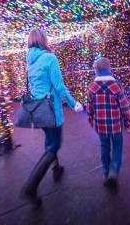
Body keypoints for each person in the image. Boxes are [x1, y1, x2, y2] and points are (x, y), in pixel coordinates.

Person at [21, 28, 83, 207]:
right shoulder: (50, 58)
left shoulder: (30, 61)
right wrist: (74, 104)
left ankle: (56, 168)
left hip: (38, 109)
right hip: (51, 108)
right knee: (54, 144)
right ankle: (31, 186)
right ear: (43, 39)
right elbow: (59, 86)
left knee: (50, 140)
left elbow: (35, 87)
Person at [86, 57, 130, 187]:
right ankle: (114, 170)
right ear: (109, 69)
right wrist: (128, 123)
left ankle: (106, 172)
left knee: (104, 147)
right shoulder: (116, 86)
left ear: (96, 70)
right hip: (116, 125)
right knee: (117, 147)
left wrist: (90, 120)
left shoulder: (92, 87)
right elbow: (125, 106)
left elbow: (89, 106)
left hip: (101, 126)